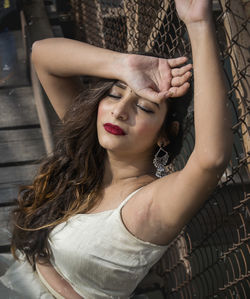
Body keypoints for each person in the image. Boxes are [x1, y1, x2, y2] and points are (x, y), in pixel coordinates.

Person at [0, 0, 232, 298]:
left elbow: (210, 159)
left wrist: (198, 25)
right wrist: (124, 65)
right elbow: (42, 55)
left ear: (166, 135)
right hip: (15, 274)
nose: (119, 111)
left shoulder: (149, 203)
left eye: (145, 108)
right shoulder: (89, 155)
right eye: (114, 94)